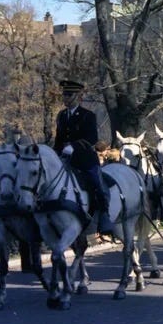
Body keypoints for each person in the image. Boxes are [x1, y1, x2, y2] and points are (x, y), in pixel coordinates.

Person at [53, 80, 112, 235]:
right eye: (64, 94)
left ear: (77, 96)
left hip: (84, 159)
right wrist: (55, 153)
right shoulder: (61, 116)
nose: (65, 98)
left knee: (97, 183)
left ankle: (105, 215)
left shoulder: (87, 115)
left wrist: (74, 146)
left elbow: (92, 138)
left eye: (69, 95)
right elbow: (58, 139)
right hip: (65, 158)